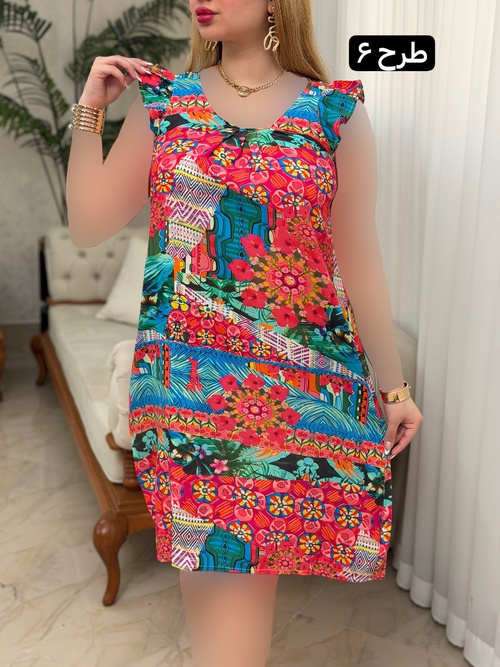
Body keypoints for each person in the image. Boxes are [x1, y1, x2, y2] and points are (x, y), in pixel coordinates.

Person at [66, 1, 423, 665]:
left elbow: (358, 257)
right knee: (208, 573)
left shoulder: (334, 112)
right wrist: (90, 110)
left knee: (235, 585)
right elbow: (88, 223)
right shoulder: (163, 103)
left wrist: (394, 386)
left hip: (292, 390)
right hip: (184, 387)